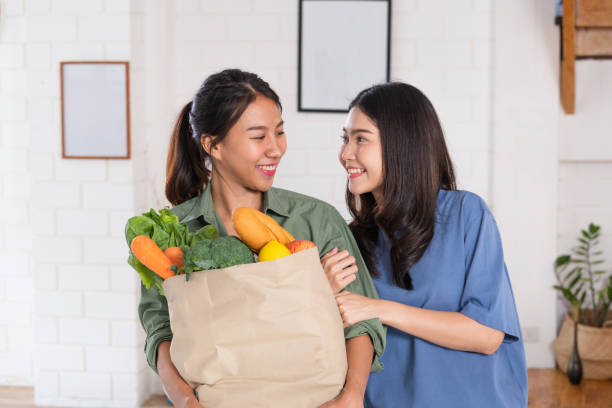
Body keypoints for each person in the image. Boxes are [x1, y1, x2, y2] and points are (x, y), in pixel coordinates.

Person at [137, 69, 385, 408]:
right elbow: (160, 332)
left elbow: (362, 322)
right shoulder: (172, 233)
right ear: (213, 144)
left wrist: (352, 395)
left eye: (280, 132)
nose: (276, 149)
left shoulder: (315, 220)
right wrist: (183, 400)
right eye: (259, 137)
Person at [332, 82, 528, 407]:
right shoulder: (355, 237)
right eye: (345, 138)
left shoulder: (466, 214)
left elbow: (487, 334)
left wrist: (382, 309)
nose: (345, 154)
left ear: (402, 143)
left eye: (360, 139)